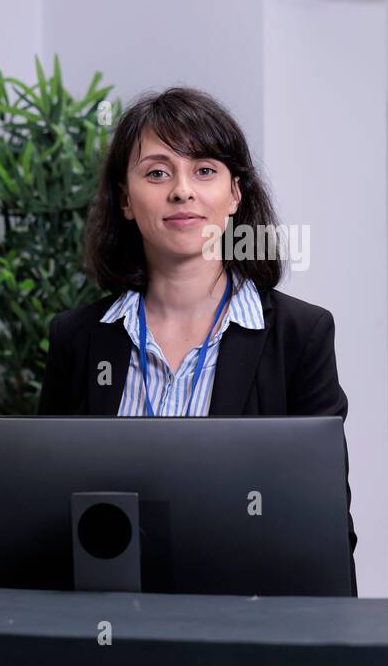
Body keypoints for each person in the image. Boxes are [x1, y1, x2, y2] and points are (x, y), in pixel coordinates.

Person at [37, 86, 358, 596]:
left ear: (235, 194)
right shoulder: (76, 339)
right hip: (105, 623)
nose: (182, 191)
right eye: (157, 172)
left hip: (245, 632)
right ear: (125, 198)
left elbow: (325, 529)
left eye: (204, 170)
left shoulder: (299, 336)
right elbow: (46, 510)